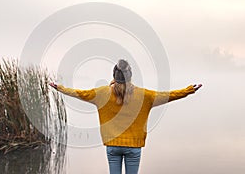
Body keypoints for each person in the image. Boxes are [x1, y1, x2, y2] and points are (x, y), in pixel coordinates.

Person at [49, 59, 202, 174]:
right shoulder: (144, 95)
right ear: (130, 76)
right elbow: (168, 95)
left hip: (113, 146)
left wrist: (59, 88)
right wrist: (188, 90)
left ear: (114, 76)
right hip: (134, 147)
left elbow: (79, 93)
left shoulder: (102, 93)